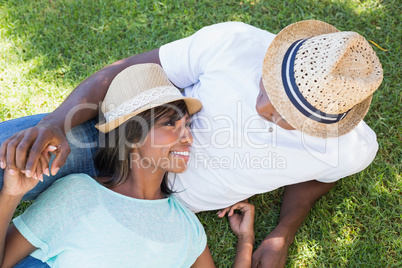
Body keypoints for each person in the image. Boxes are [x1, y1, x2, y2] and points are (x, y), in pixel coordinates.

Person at [0, 20, 383, 267]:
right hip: (131, 137)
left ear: (322, 127)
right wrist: (53, 123)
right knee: (10, 156)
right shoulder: (233, 44)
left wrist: (282, 232)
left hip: (163, 205)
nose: (263, 105)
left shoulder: (352, 148)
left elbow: (323, 175)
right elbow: (124, 74)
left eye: (283, 114)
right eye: (271, 85)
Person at [0, 64, 256, 267]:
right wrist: (11, 195)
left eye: (187, 125)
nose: (188, 137)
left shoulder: (187, 225)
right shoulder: (77, 195)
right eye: (170, 124)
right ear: (133, 135)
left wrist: (246, 240)